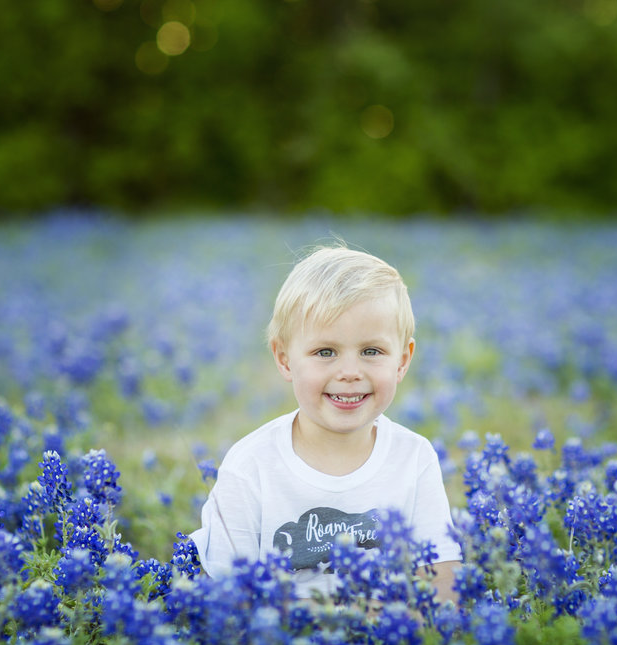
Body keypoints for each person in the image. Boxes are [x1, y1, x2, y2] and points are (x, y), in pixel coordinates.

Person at [190, 245, 461, 603]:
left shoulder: (414, 457)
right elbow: (225, 594)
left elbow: (441, 577)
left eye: (371, 351)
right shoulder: (250, 465)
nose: (349, 372)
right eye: (325, 352)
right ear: (284, 359)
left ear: (403, 360)